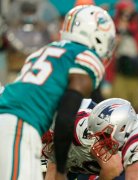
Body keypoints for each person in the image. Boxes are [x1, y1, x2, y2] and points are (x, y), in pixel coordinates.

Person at [0, 5, 116, 180]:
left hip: (16, 124)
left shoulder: (45, 50)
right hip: (18, 125)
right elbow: (65, 117)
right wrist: (61, 170)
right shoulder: (85, 58)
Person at [42, 99, 123, 180]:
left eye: (48, 138)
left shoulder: (85, 131)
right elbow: (51, 173)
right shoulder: (51, 144)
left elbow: (114, 169)